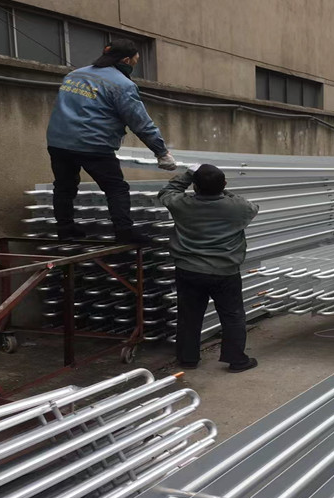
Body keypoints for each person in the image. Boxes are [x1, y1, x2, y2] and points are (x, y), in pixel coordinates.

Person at [46, 38, 177, 244]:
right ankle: (124, 232)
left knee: (64, 186)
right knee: (116, 188)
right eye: (135, 60)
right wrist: (161, 152)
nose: (135, 64)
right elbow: (140, 122)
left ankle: (65, 229)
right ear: (125, 59)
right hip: (93, 144)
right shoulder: (122, 85)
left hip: (58, 142)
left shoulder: (74, 75)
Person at [158, 164, 260, 373]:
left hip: (189, 270)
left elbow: (167, 192)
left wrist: (188, 174)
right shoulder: (238, 207)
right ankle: (236, 360)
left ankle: (188, 359)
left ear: (194, 187)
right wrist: (221, 189)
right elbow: (253, 207)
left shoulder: (181, 204)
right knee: (232, 316)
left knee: (189, 316)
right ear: (223, 185)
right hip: (225, 271)